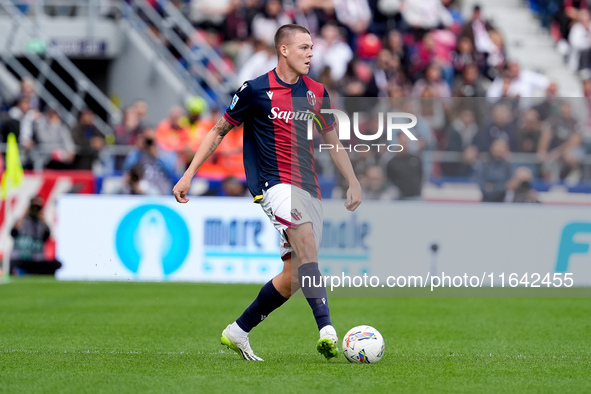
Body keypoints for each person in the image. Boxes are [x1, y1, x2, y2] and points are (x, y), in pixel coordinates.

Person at [172, 24, 362, 361]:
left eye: (311, 47)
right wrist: (188, 174)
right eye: (304, 47)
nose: (310, 53)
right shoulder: (255, 90)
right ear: (284, 50)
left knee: (294, 276)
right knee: (306, 244)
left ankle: (238, 331)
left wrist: (353, 180)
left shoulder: (317, 91)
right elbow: (219, 131)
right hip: (274, 185)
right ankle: (327, 330)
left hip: (309, 188)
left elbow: (333, 142)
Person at [10, 197, 62, 276]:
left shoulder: (41, 224)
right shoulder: (21, 221)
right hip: (21, 258)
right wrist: (24, 215)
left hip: (37, 260)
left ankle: (27, 273)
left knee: (56, 264)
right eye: (33, 207)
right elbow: (13, 233)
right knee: (14, 264)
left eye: (37, 208)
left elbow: (47, 237)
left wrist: (43, 220)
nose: (35, 210)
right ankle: (27, 272)